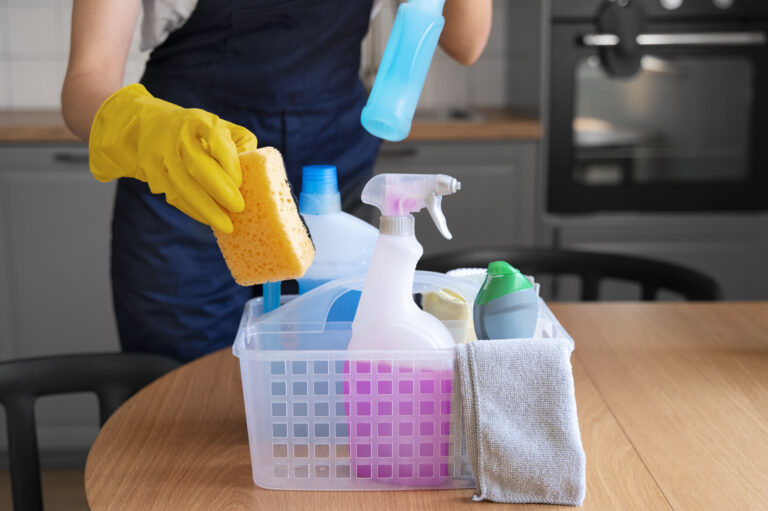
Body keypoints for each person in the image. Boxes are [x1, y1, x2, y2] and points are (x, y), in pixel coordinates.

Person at [61, 0, 492, 362]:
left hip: (334, 182)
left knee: (339, 392)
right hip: (187, 181)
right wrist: (146, 129)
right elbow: (85, 81)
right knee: (184, 404)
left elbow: (466, 41)